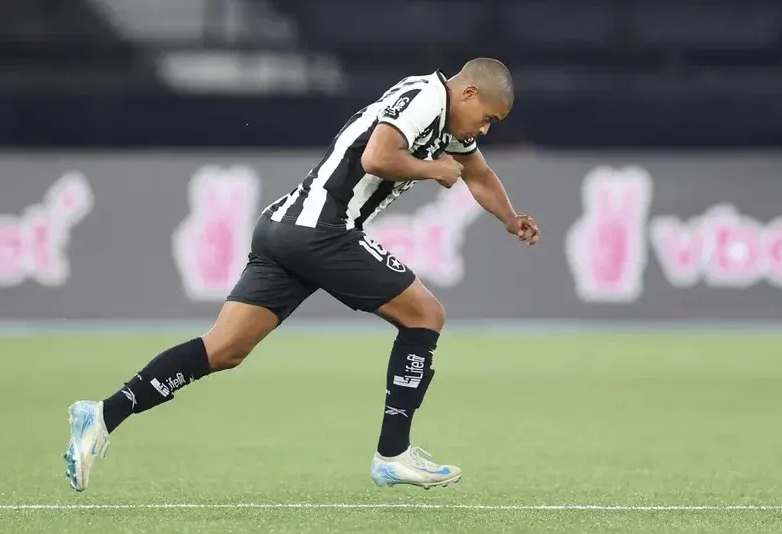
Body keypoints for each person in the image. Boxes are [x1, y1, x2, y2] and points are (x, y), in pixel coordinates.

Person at [63, 57, 540, 492]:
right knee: (425, 315)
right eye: (489, 118)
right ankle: (393, 453)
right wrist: (431, 170)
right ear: (470, 93)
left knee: (224, 349)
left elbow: (478, 175)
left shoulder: (448, 123)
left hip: (282, 229)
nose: (486, 129)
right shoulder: (425, 98)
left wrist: (510, 218)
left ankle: (103, 413)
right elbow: (377, 157)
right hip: (323, 231)